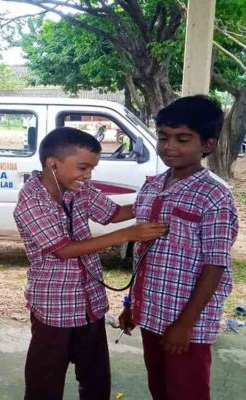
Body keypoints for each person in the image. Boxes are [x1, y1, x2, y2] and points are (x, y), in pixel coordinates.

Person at [14, 127, 167, 400]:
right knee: (44, 382)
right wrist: (129, 235)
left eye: (92, 169)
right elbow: (63, 250)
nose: (88, 176)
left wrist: (153, 200)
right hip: (54, 306)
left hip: (90, 303)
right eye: (83, 167)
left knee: (96, 378)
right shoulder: (31, 201)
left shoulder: (78, 190)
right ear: (53, 163)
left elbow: (114, 213)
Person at [118, 95, 239, 400]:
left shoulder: (214, 196)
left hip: (187, 324)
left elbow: (215, 265)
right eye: (163, 137)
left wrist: (184, 324)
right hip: (152, 313)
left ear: (207, 145)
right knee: (160, 388)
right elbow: (144, 256)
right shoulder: (153, 185)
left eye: (182, 139)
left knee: (187, 392)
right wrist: (132, 306)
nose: (169, 146)